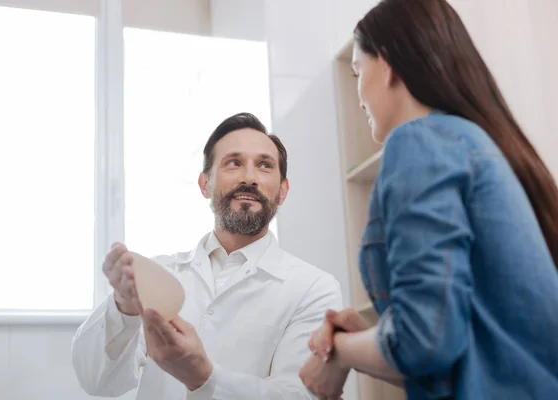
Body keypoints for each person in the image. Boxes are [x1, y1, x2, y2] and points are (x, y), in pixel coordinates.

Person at [299, 0, 558, 399]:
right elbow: (458, 358)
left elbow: (426, 340)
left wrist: (339, 352)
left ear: (385, 65)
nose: (358, 94)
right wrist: (374, 338)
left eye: (357, 71)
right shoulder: (474, 143)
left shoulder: (418, 141)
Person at [72, 112, 343, 400]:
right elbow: (96, 381)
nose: (249, 178)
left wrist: (203, 377)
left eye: (265, 165)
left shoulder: (314, 290)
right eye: (233, 163)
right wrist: (123, 308)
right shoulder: (160, 275)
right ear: (205, 184)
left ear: (283, 191)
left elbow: (300, 395)